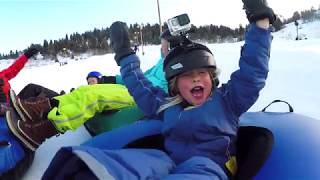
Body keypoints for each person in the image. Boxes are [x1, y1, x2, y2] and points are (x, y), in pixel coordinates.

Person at [43, 0, 276, 179]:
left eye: (202, 73)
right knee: (134, 161)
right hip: (167, 161)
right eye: (187, 75)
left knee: (197, 168)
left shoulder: (227, 101)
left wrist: (260, 22)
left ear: (212, 78)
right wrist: (124, 54)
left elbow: (252, 72)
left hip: (208, 167)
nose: (196, 79)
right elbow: (140, 86)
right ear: (175, 85)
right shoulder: (167, 105)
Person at [0, 47, 39, 114]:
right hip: (7, 109)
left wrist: (26, 56)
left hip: (14, 102)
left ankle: (58, 101)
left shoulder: (1, 75)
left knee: (32, 88)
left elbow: (13, 69)